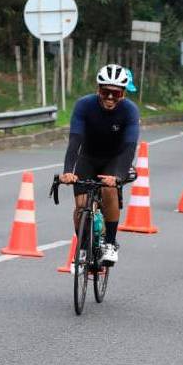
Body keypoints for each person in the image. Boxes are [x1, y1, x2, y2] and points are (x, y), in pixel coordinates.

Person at [59, 63, 140, 266]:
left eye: (116, 93)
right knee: (80, 206)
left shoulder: (130, 111)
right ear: (98, 90)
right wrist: (68, 171)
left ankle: (110, 243)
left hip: (114, 159)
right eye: (105, 92)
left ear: (123, 94)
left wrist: (119, 176)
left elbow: (130, 147)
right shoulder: (84, 105)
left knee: (108, 190)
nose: (110, 98)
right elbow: (74, 141)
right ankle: (83, 247)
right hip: (88, 157)